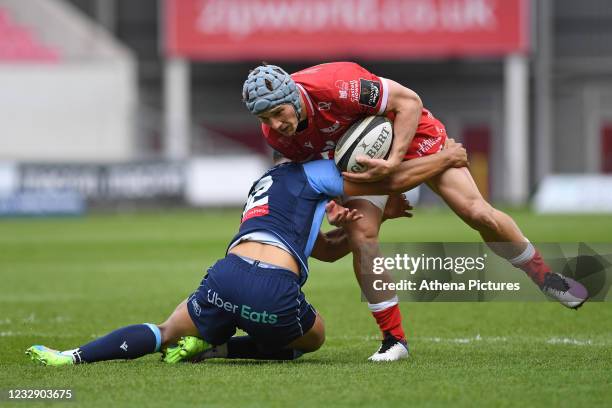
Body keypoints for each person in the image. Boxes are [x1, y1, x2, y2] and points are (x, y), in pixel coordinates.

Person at [242, 62, 589, 361]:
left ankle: (545, 277)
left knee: (476, 212)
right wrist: (336, 207)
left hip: (409, 134)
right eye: (265, 118)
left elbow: (409, 102)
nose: (275, 124)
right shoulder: (277, 138)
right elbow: (311, 177)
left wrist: (393, 163)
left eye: (278, 112)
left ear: (292, 96)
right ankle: (394, 340)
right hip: (361, 163)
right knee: (362, 234)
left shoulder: (336, 84)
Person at [25, 145, 468, 366]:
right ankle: (219, 350)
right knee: (315, 337)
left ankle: (72, 356)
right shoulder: (315, 172)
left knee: (164, 330)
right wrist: (444, 158)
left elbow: (326, 251)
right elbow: (386, 180)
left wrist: (349, 226)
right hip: (272, 289)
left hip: (226, 276)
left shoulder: (265, 186)